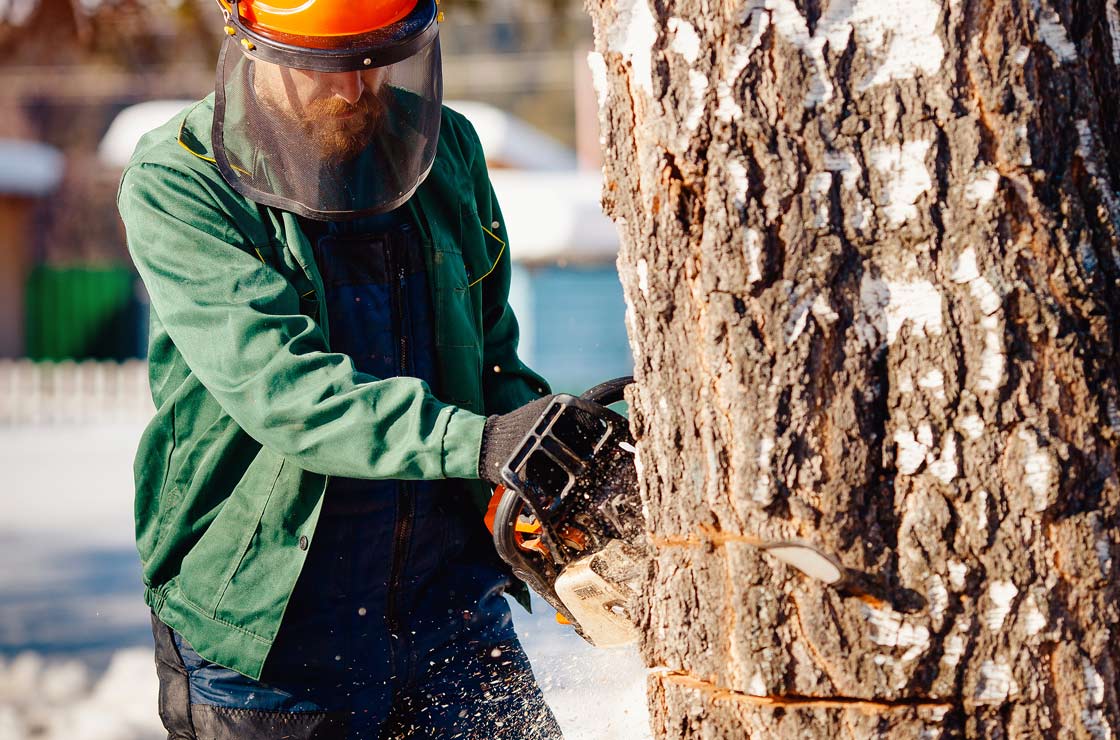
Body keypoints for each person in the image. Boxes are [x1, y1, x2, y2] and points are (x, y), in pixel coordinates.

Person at [117, 1, 566, 737]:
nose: (357, 91)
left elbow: (490, 356)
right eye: (327, 69)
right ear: (253, 43)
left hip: (450, 607)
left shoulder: (446, 147)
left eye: (377, 61)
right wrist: (476, 442)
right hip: (272, 630)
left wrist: (541, 447)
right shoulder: (181, 180)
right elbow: (283, 390)